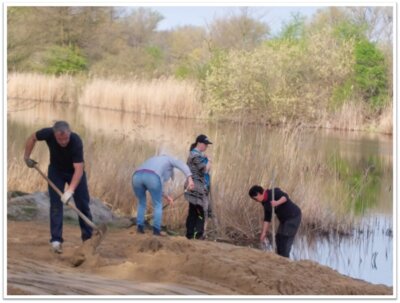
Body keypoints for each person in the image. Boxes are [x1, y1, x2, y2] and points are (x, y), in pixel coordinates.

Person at [23, 121, 93, 254]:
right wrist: (26, 157)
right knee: (55, 204)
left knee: (83, 204)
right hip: (56, 171)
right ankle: (56, 241)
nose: (63, 142)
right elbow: (32, 137)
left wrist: (70, 190)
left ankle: (88, 239)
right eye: (59, 139)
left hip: (74, 172)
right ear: (54, 135)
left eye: (65, 138)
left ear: (69, 132)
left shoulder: (76, 141)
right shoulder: (48, 133)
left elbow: (79, 168)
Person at [132, 154, 194, 236]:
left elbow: (158, 186)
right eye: (169, 177)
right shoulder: (170, 159)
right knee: (158, 204)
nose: (167, 179)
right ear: (169, 171)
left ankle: (140, 228)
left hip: (136, 176)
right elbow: (181, 165)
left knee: (141, 203)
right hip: (152, 177)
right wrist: (190, 179)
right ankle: (156, 231)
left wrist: (167, 197)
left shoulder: (154, 159)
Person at [248, 185, 301, 258]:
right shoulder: (264, 202)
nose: (256, 201)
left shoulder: (273, 192)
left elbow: (285, 197)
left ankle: (285, 259)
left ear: (260, 194)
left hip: (293, 216)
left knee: (285, 238)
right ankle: (280, 257)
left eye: (255, 199)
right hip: (284, 219)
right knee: (278, 237)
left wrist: (277, 202)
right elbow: (267, 218)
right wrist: (263, 233)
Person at [184, 134, 212, 240]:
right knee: (200, 211)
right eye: (205, 144)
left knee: (193, 211)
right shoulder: (195, 156)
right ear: (199, 143)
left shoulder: (195, 154)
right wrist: (209, 160)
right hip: (196, 188)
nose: (206, 147)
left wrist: (203, 156)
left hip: (193, 187)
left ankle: (190, 235)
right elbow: (205, 170)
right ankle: (198, 235)